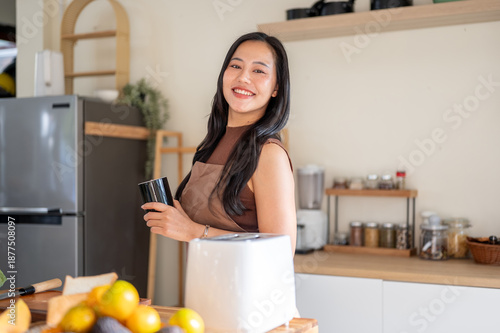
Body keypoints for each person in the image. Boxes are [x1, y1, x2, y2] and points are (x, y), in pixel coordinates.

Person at [142, 32, 296, 252]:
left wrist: (192, 231)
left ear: (276, 88)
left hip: (246, 286)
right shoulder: (211, 144)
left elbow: (282, 249)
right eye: (236, 66)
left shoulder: (269, 154)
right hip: (204, 283)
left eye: (259, 70)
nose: (243, 77)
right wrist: (173, 219)